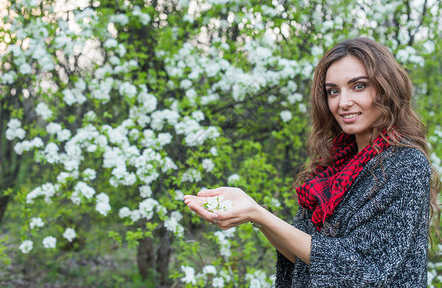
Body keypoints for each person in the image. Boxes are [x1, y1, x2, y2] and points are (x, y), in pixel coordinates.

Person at [184, 37, 441, 287]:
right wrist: (255, 215)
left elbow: (366, 273)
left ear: (386, 89)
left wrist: (258, 213)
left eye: (359, 86)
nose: (343, 102)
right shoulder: (334, 166)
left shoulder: (406, 164)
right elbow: (305, 256)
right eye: (333, 91)